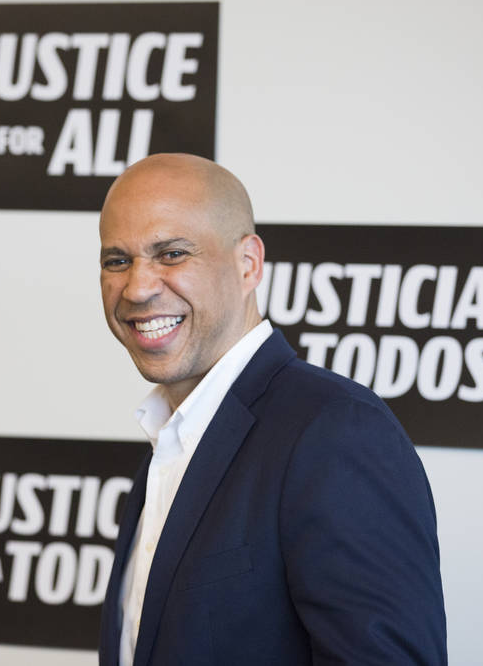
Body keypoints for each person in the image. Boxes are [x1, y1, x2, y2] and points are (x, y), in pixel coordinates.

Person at [97, 153, 447, 665]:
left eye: (171, 254)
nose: (138, 287)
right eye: (117, 260)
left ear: (249, 264)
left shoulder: (336, 433)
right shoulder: (171, 442)